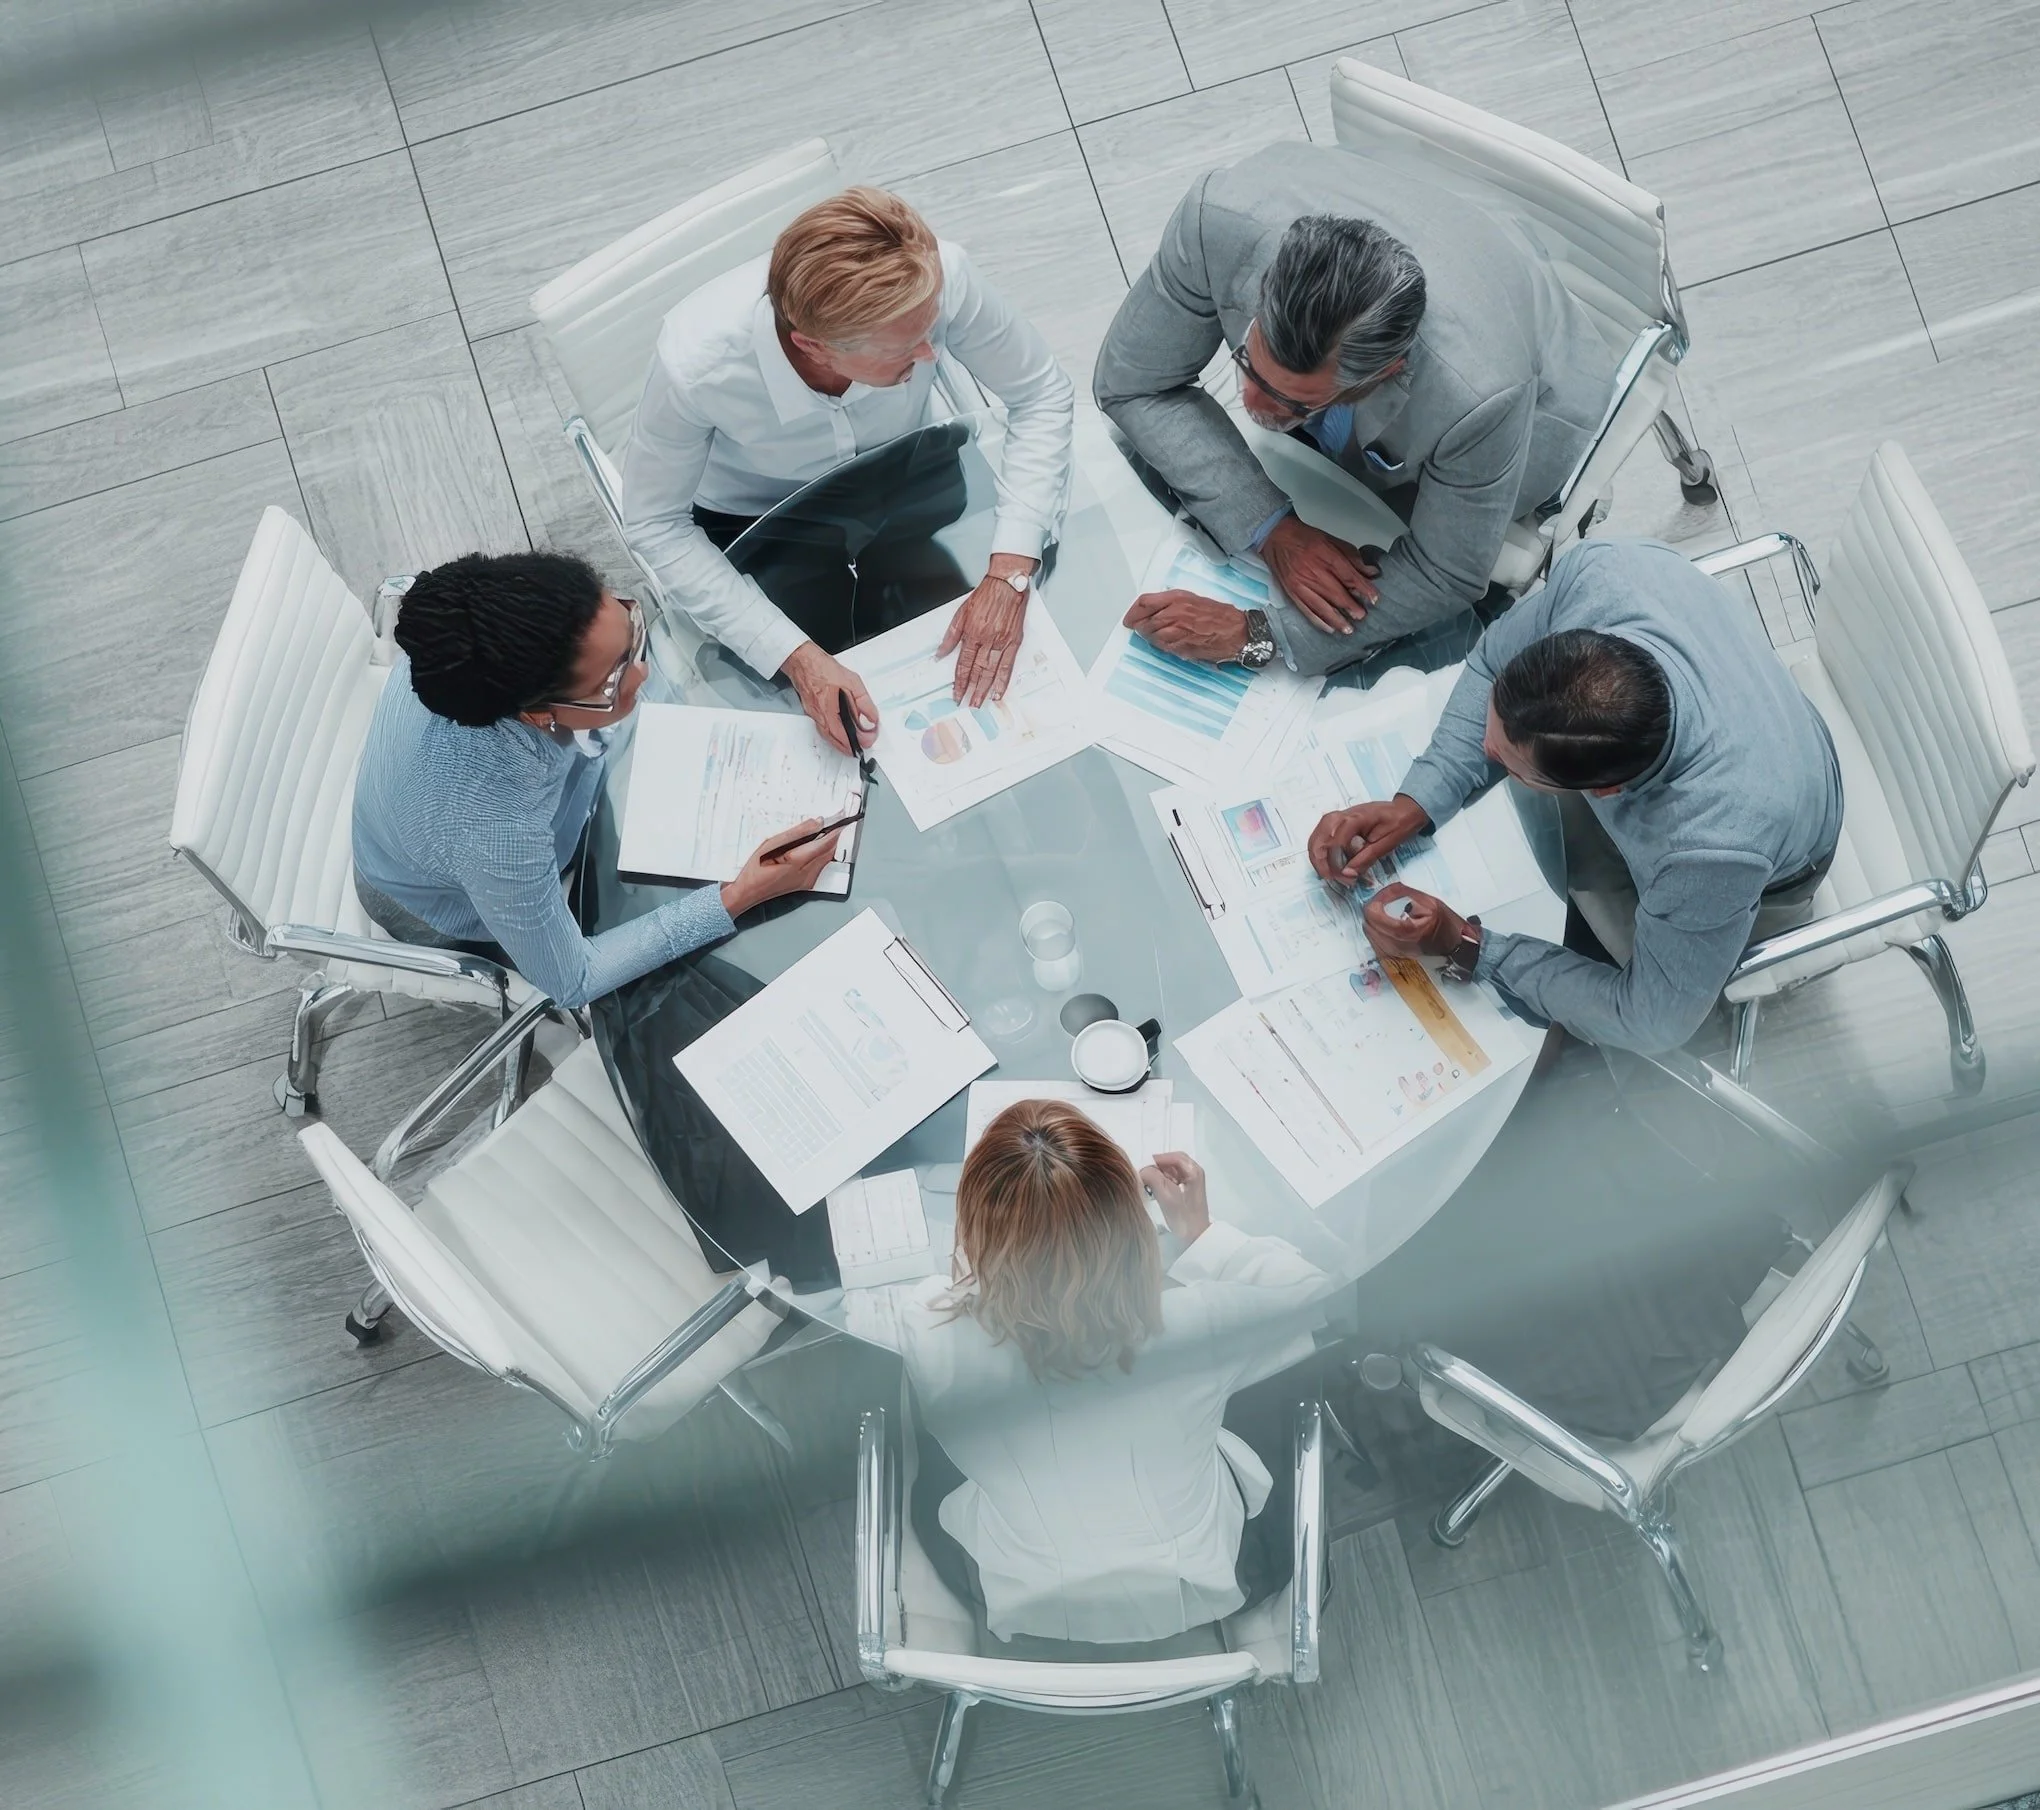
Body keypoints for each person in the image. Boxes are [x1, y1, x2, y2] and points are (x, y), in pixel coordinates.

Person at [1094, 141, 1615, 677]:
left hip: (1538, 408)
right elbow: (1131, 383)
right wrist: (1272, 528)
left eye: (1292, 401)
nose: (1252, 405)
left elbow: (1447, 571)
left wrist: (1258, 635)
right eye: (1248, 365)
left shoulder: (1478, 398)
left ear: (1383, 374)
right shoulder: (1215, 219)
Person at [1308, 537, 1843, 1055]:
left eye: (1503, 763)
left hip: (1779, 853)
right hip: (1762, 720)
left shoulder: (1707, 853)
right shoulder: (1599, 574)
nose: (1483, 748)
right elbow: (1495, 660)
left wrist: (1466, 945)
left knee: (1632, 1045)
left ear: (1603, 793)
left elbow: (1650, 1020)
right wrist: (1420, 800)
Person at [621, 186, 1074, 751]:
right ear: (813, 345)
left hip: (911, 475)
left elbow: (1041, 393)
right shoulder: (697, 365)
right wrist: (798, 658)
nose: (932, 353)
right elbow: (653, 523)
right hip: (765, 523)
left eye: (930, 331)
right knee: (829, 721)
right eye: (904, 349)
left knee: (989, 668)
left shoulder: (938, 276)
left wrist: (1010, 567)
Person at [897, 1100, 1330, 1646]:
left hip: (1024, 1581)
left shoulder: (929, 1327)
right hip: (1192, 1572)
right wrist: (1199, 1231)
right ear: (1129, 1224)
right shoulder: (1196, 1329)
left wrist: (979, 1265)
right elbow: (1312, 1294)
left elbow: (952, 1298)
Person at [351, 549, 839, 1011]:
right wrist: (742, 893)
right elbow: (574, 980)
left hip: (456, 821)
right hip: (447, 905)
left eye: (631, 625)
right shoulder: (497, 833)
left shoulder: (491, 627)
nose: (642, 672)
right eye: (612, 681)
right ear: (540, 713)